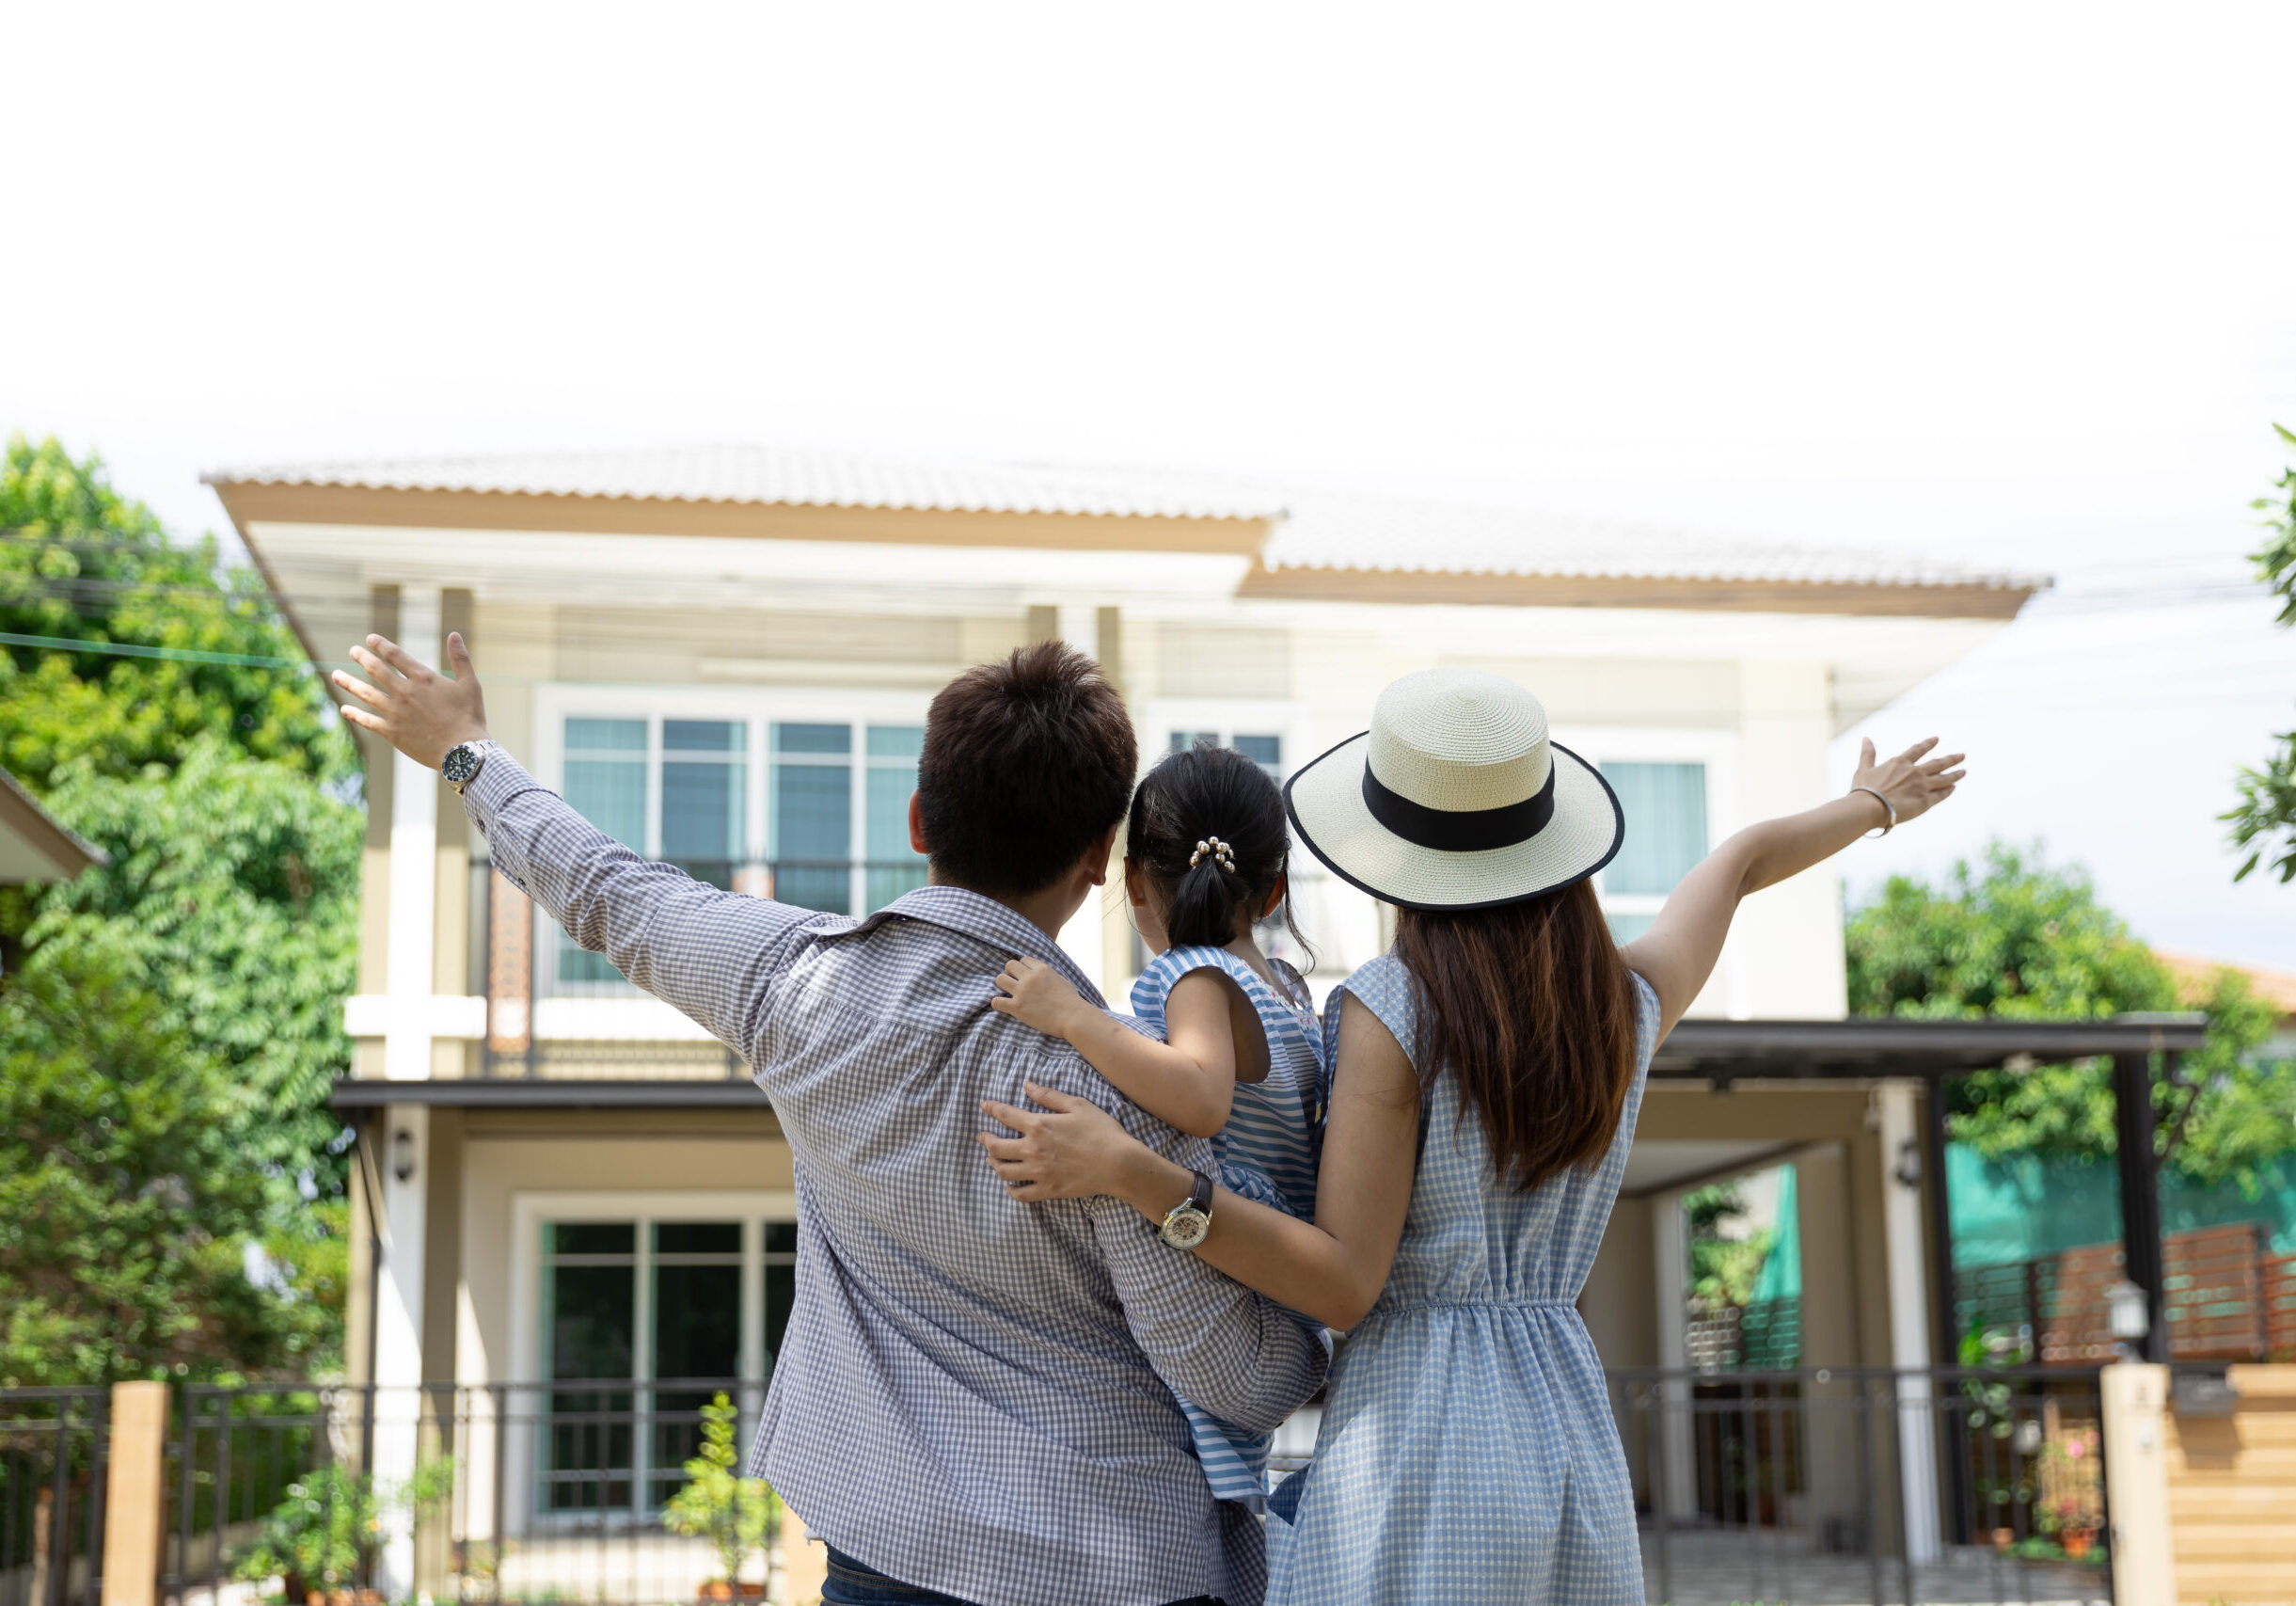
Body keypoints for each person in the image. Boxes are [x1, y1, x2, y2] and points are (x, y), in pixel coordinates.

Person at [333, 633, 1327, 1606]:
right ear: (1100, 860)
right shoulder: (1116, 1096)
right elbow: (1239, 1380)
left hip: (880, 1555)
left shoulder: (788, 983)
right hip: (1110, 1564)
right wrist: (1310, 1334)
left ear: (916, 821)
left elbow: (609, 893)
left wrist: (466, 755)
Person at [978, 667, 1963, 1605]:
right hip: (1567, 1427)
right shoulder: (1619, 1003)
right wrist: (1869, 805)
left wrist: (1138, 1178)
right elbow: (1735, 866)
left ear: (1397, 858)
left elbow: (1341, 1281)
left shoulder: (1388, 1010)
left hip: (1415, 1447)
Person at [989, 742, 1327, 1509]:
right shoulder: (1287, 989)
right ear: (1273, 891)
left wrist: (1073, 1017)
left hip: (1231, 1264)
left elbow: (1200, 1097)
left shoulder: (1194, 974)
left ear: (1134, 880)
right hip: (1279, 1274)